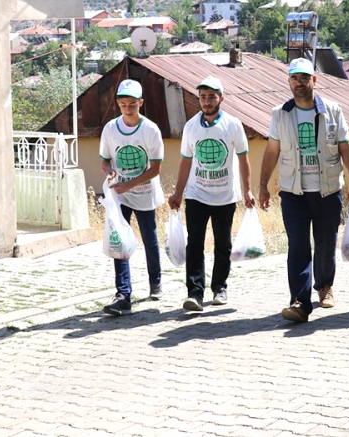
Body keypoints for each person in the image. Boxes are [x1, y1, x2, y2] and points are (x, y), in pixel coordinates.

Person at [259, 57, 349, 323]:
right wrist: (262, 187)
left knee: (326, 243)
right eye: (295, 78)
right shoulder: (279, 114)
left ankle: (325, 286)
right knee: (298, 246)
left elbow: (345, 148)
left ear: (314, 80)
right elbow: (272, 152)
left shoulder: (333, 110)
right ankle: (299, 301)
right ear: (289, 81)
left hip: (327, 191)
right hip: (293, 192)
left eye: (304, 78)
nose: (299, 82)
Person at [168, 76, 255, 312]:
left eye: (211, 97)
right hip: (197, 194)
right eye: (203, 97)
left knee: (223, 244)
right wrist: (178, 192)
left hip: (225, 195)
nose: (206, 102)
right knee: (194, 243)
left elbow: (243, 159)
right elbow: (186, 161)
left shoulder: (233, 125)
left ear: (221, 98)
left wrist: (247, 190)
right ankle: (195, 293)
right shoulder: (191, 126)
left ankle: (220, 288)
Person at [99, 79, 165, 316]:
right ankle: (123, 294)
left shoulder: (150, 130)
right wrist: (109, 172)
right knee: (120, 241)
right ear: (118, 104)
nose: (128, 108)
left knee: (149, 238)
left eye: (133, 104)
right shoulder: (110, 129)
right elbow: (105, 159)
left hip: (144, 193)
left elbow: (155, 169)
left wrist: (130, 184)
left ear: (141, 103)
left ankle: (155, 280)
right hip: (121, 195)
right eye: (124, 103)